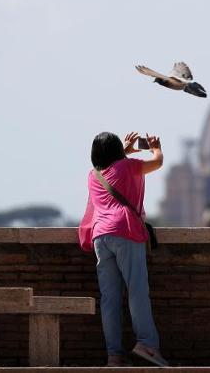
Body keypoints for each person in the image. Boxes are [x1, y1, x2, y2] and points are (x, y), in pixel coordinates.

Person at [82, 131, 168, 367]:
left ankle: (114, 356)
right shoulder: (129, 167)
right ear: (118, 151)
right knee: (136, 290)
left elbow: (113, 169)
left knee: (109, 299)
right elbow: (157, 162)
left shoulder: (93, 175)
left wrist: (125, 152)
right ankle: (147, 346)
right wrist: (156, 147)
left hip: (101, 236)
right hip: (125, 231)